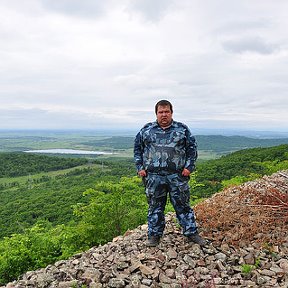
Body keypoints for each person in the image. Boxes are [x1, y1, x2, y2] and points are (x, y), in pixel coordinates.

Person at [134, 99, 206, 247]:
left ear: (171, 113)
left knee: (183, 206)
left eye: (167, 111)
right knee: (155, 207)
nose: (164, 114)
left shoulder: (182, 129)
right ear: (156, 113)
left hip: (177, 176)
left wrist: (189, 167)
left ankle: (191, 232)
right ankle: (154, 236)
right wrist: (140, 167)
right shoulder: (146, 130)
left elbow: (192, 149)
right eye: (161, 112)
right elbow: (137, 149)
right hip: (153, 177)